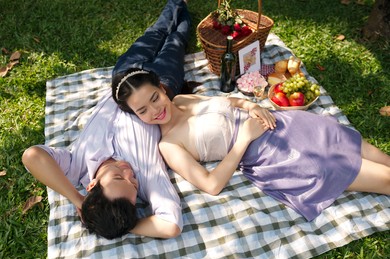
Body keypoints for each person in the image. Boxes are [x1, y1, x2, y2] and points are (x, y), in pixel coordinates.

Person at [112, 72, 390, 222]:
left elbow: (230, 103)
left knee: (381, 158)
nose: (155, 110)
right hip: (278, 155)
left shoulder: (183, 99)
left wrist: (252, 105)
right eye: (143, 110)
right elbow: (211, 185)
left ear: (162, 88)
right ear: (136, 115)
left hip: (288, 124)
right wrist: (244, 138)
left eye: (155, 97)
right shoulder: (169, 145)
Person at [22, 0, 191, 239]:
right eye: (132, 185)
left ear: (91, 186)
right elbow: (171, 225)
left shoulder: (75, 168)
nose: (129, 174)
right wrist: (118, 223)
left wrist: (79, 201)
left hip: (125, 79)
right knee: (176, 41)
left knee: (155, 33)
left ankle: (176, 2)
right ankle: (185, 12)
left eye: (118, 176)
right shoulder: (147, 176)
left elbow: (32, 156)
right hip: (161, 86)